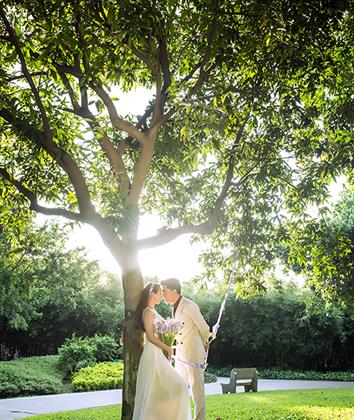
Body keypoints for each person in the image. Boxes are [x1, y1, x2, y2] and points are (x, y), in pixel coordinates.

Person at [132, 282, 191, 420]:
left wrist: (168, 343)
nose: (161, 295)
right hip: (152, 355)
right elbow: (151, 337)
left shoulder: (153, 311)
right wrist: (168, 348)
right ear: (152, 293)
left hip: (159, 354)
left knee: (178, 387)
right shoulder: (147, 311)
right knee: (155, 392)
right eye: (159, 293)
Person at [161, 278, 211, 420]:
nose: (162, 294)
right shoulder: (174, 307)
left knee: (197, 390)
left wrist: (204, 343)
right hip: (181, 355)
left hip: (194, 354)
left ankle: (199, 418)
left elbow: (204, 328)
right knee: (179, 386)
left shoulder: (189, 306)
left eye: (164, 291)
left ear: (174, 290)